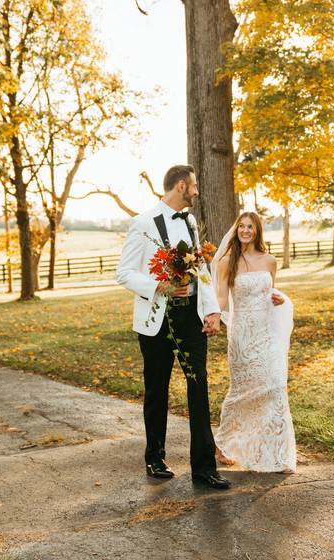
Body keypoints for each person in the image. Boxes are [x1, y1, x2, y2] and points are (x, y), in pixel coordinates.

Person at [115, 165, 230, 490]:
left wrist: (211, 311)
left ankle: (204, 469)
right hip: (157, 321)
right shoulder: (142, 223)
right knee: (156, 389)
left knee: (199, 387)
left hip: (190, 320)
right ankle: (155, 456)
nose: (196, 192)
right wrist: (160, 286)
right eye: (193, 186)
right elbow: (123, 273)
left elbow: (202, 268)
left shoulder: (190, 222)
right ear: (181, 186)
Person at [211, 211, 297, 474]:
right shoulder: (228, 261)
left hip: (266, 332)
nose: (245, 231)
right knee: (241, 392)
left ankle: (278, 454)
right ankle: (222, 443)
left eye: (250, 227)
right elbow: (223, 299)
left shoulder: (270, 261)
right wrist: (214, 316)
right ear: (236, 230)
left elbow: (271, 292)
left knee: (274, 385)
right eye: (242, 227)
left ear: (258, 231)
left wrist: (279, 299)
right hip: (242, 335)